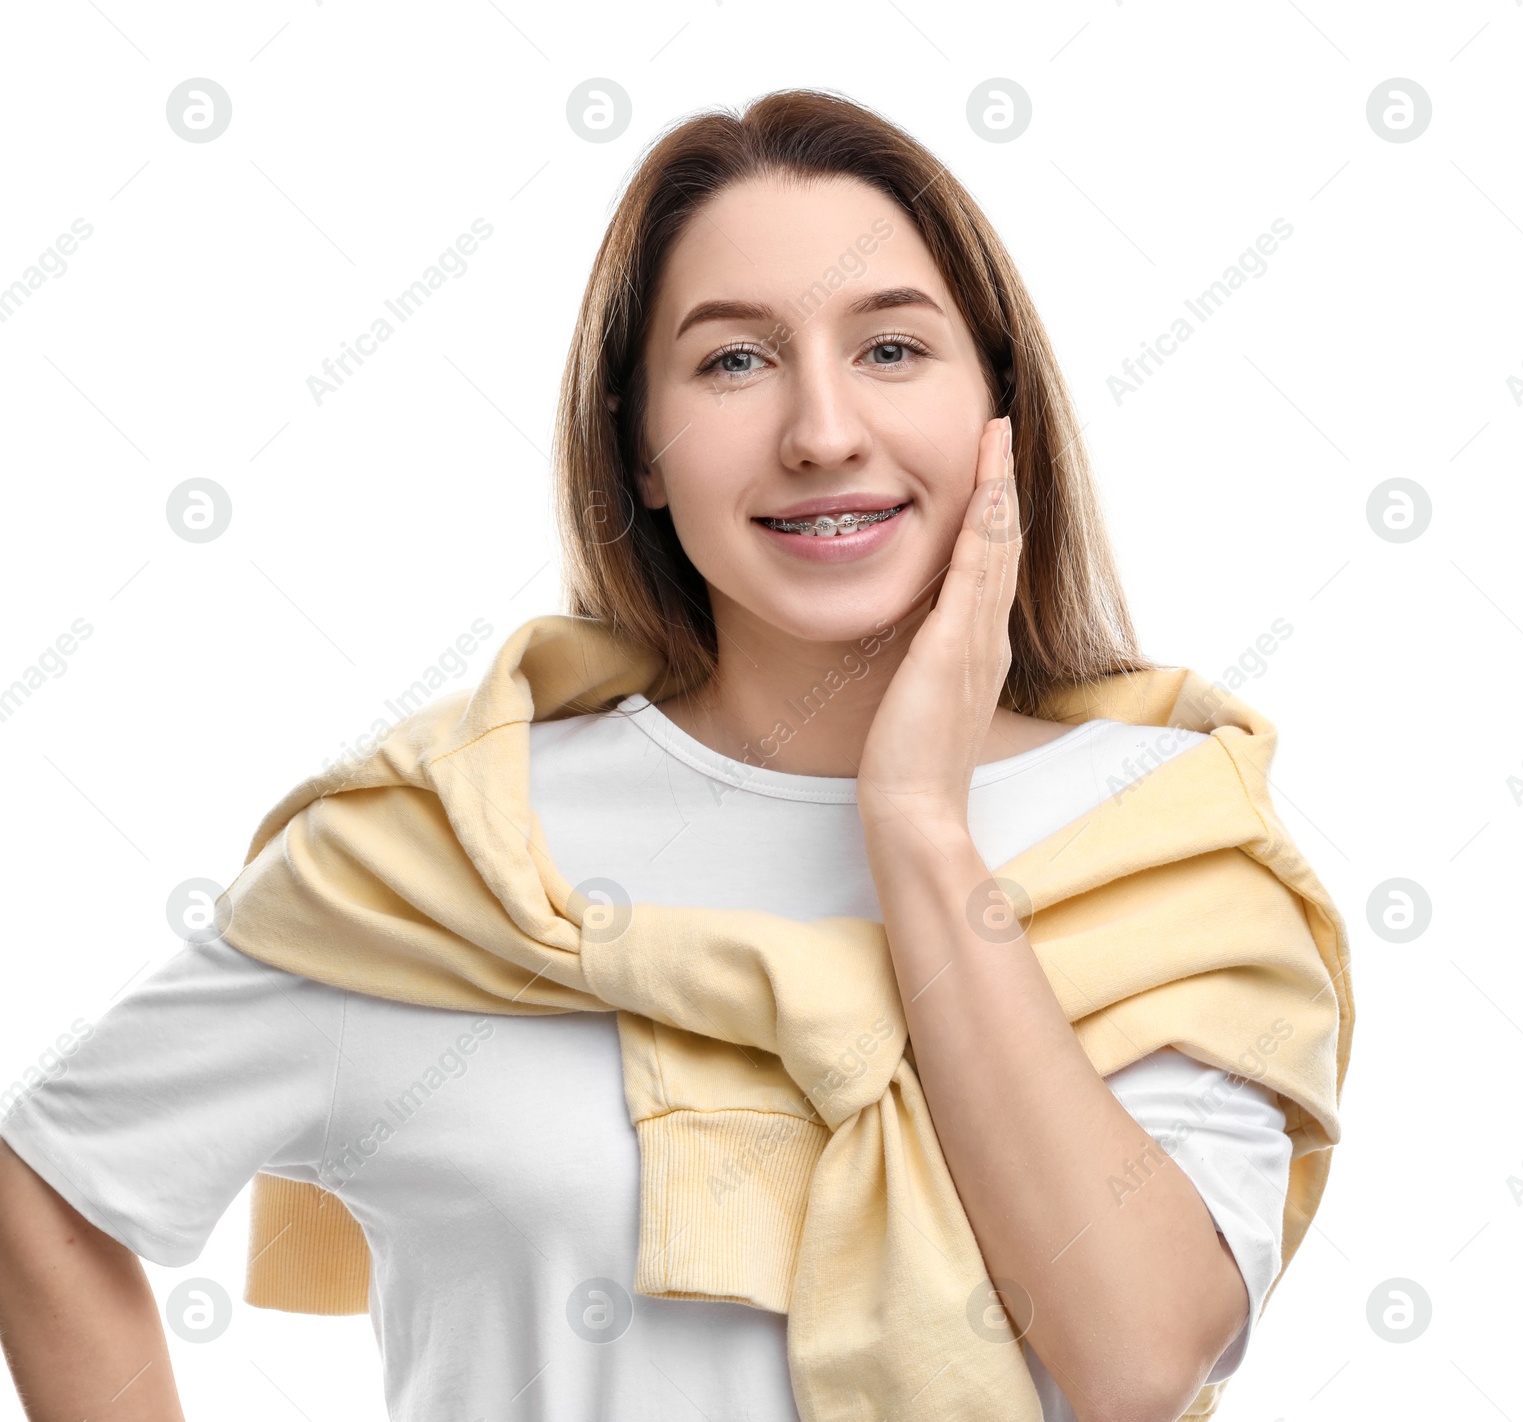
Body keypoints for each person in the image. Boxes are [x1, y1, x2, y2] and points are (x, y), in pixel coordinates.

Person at [0, 89, 1323, 1422]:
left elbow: (1142, 1354)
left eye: (893, 349)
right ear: (640, 443)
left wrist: (918, 820)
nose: (822, 432)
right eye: (734, 361)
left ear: (1002, 412)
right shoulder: (444, 850)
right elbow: (47, 1181)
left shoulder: (1165, 848)